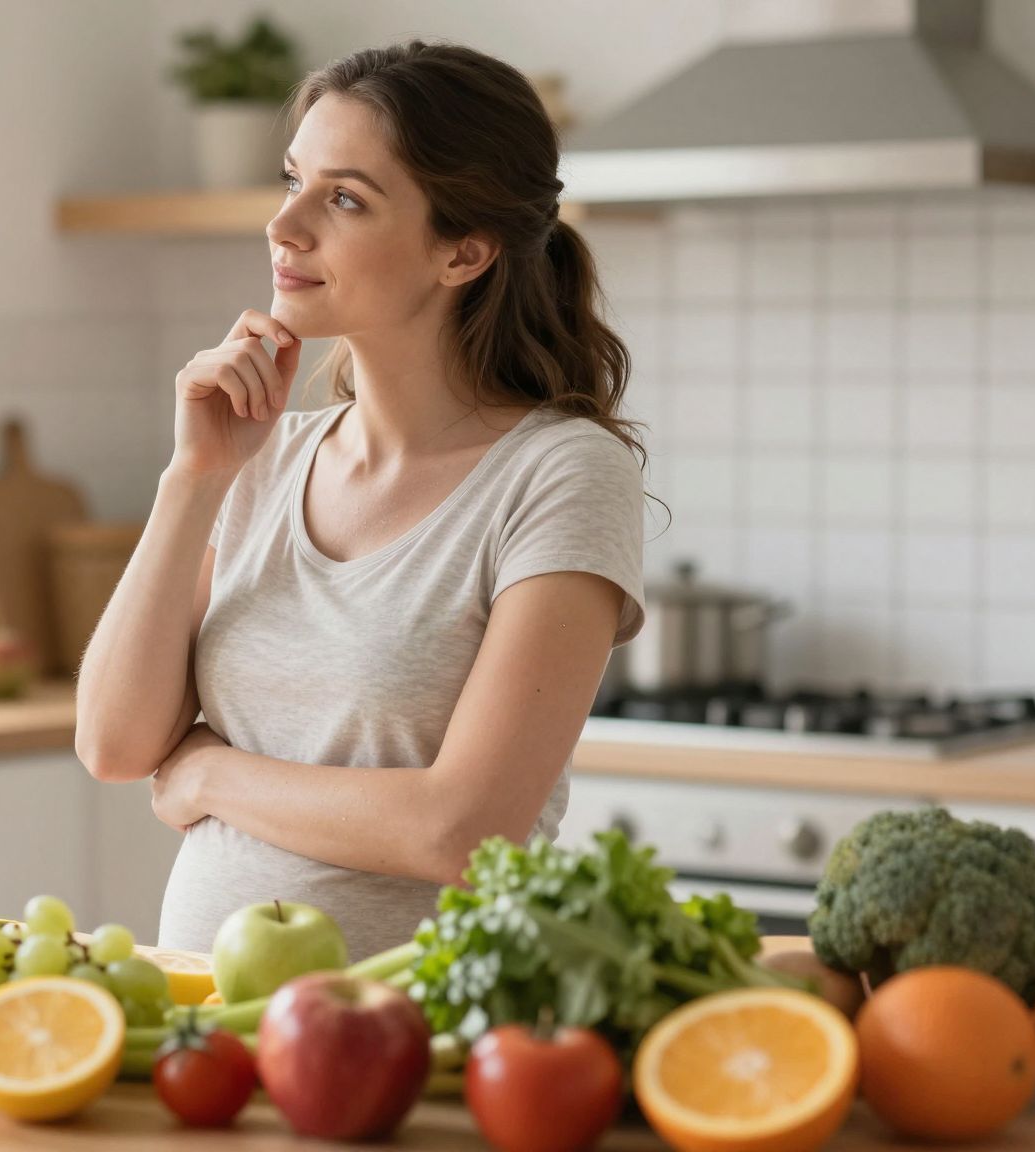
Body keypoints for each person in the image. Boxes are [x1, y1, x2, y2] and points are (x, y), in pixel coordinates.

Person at [74, 39, 649, 960]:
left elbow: (462, 832)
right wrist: (194, 479)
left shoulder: (560, 474)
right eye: (292, 180)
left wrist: (212, 773)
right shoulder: (262, 457)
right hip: (200, 1014)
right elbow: (112, 743)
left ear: (463, 252)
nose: (286, 226)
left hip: (412, 1041)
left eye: (344, 199)